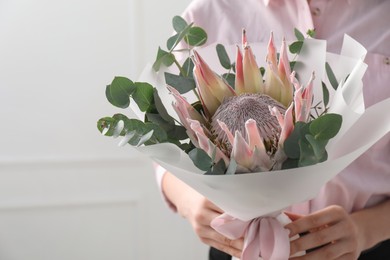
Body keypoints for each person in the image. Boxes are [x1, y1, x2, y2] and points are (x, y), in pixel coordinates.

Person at [157, 0, 390, 259]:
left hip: (365, 247)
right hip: (236, 246)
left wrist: (367, 229)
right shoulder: (207, 14)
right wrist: (189, 202)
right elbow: (166, 141)